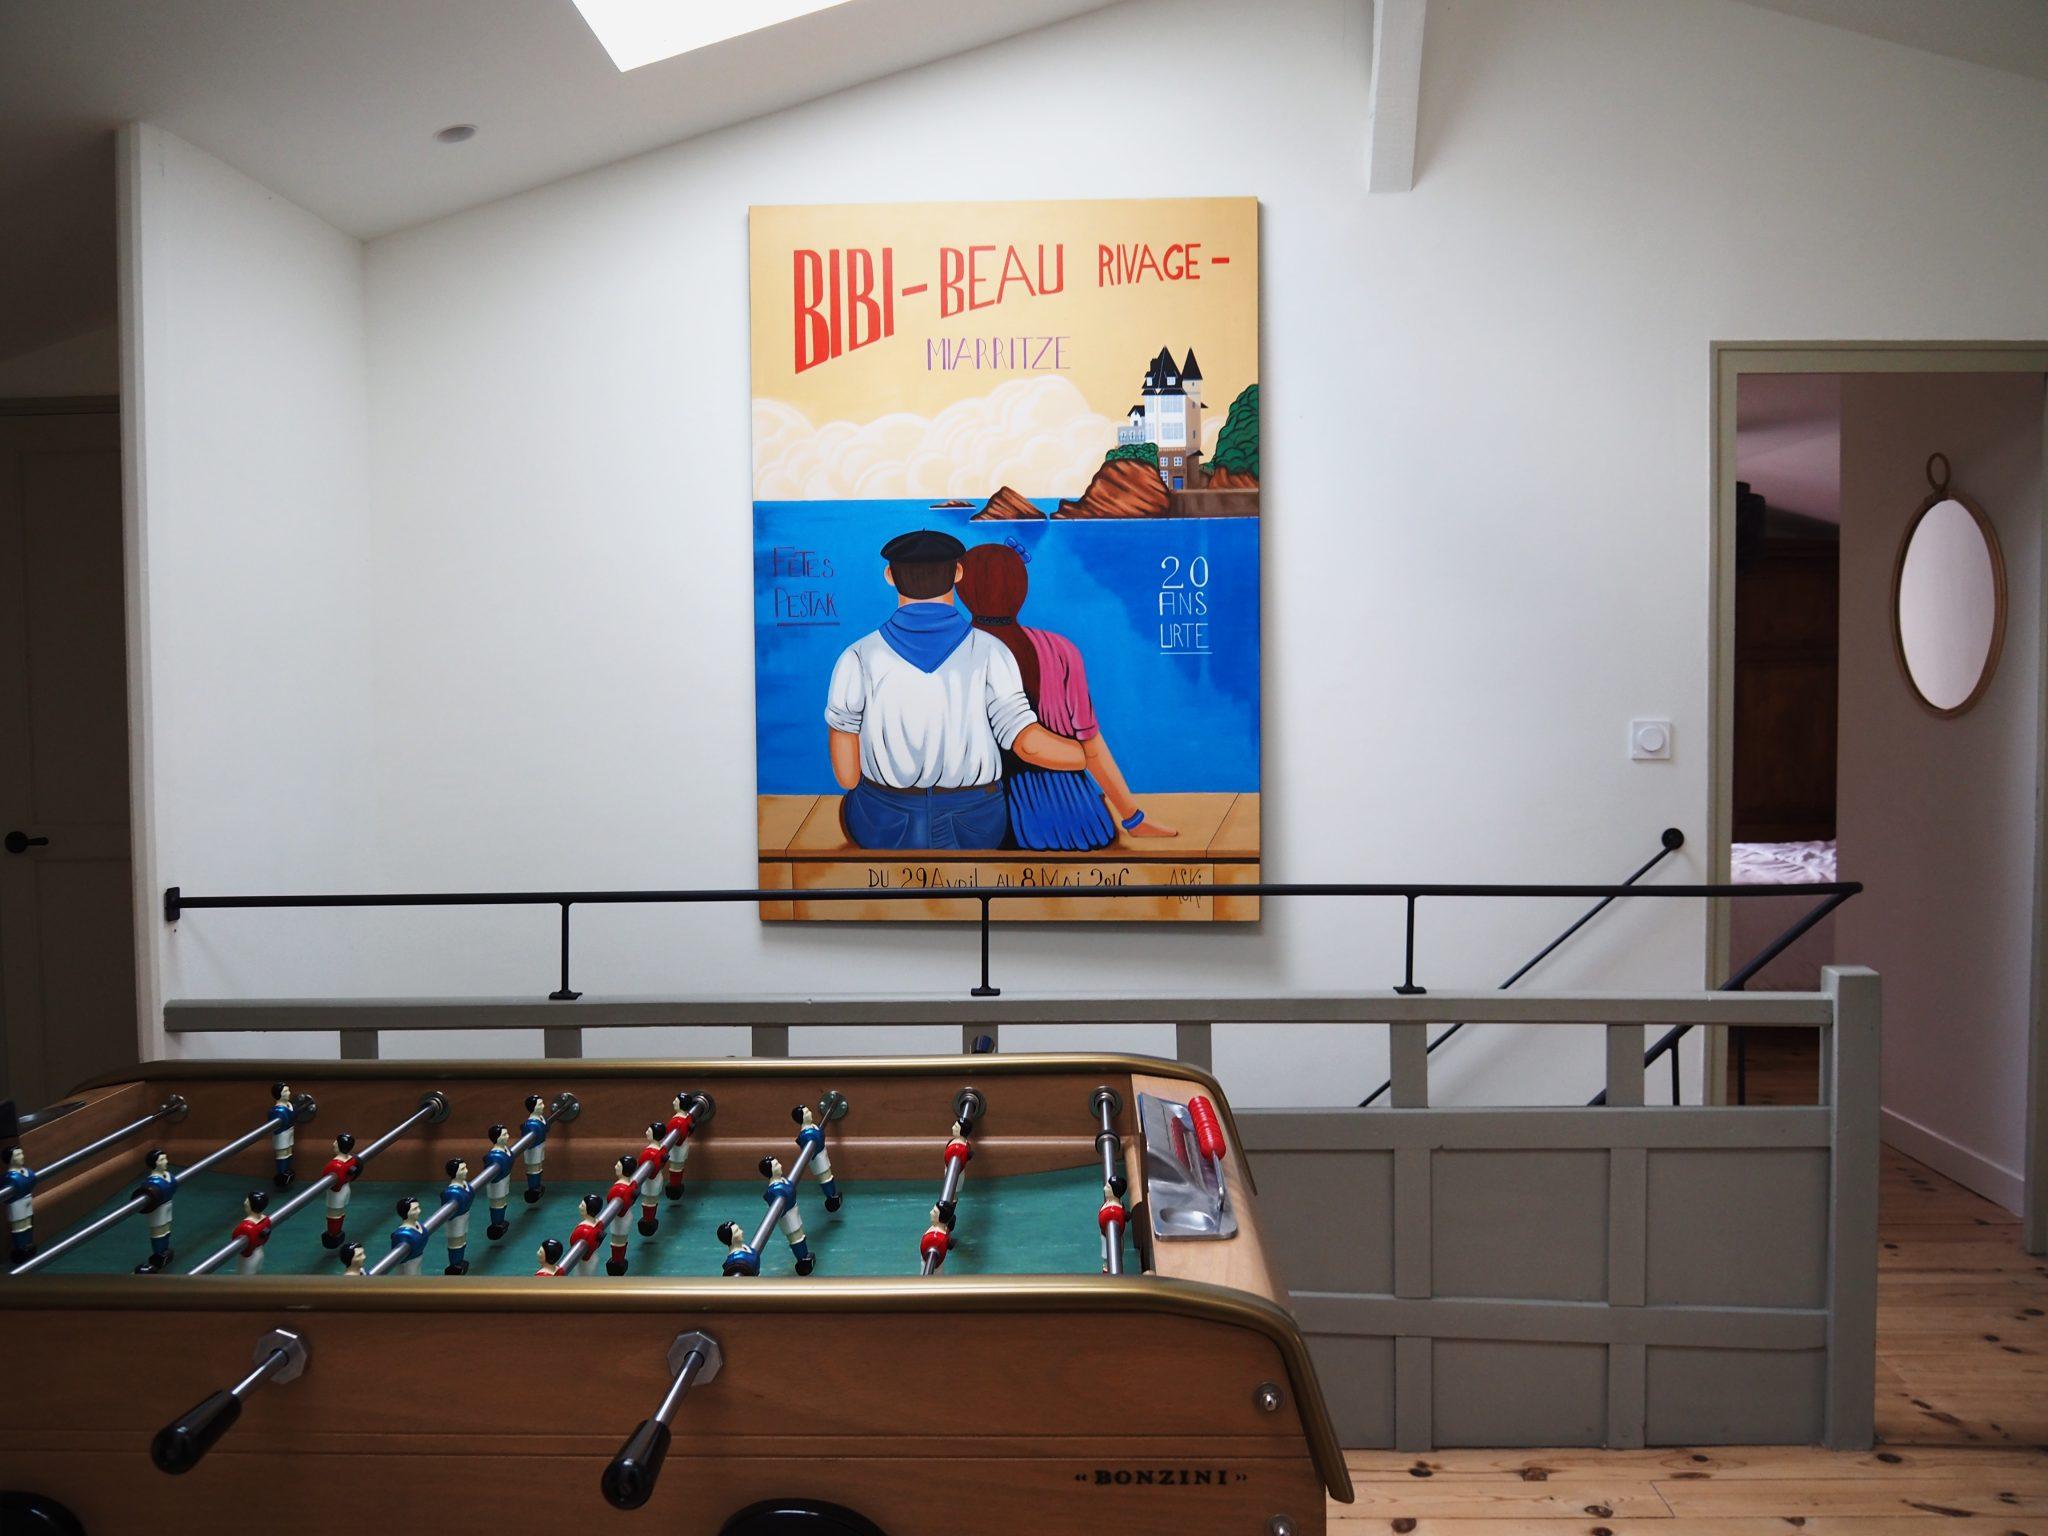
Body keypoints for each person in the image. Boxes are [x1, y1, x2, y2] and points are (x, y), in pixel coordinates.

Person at [825, 529, 1085, 850]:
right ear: (958, 573)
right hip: (975, 819)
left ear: (890, 576)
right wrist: (1087, 756)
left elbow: (848, 777)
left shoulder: (858, 655)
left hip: (882, 818)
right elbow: (1027, 744)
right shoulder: (991, 651)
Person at [956, 541, 1178, 850]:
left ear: (961, 588)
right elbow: (1091, 743)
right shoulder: (1060, 650)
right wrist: (1133, 818)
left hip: (975, 816)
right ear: (1022, 587)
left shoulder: (951, 653)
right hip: (1065, 815)